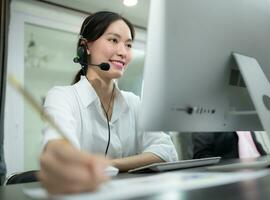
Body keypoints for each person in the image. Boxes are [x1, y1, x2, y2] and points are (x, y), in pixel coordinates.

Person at [38, 11, 178, 194]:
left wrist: (110, 164)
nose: (123, 52)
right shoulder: (62, 97)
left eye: (128, 45)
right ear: (85, 47)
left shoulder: (133, 102)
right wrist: (60, 156)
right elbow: (58, 146)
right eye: (113, 40)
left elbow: (166, 151)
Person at [192, 132, 266, 160]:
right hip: (233, 174)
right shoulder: (205, 119)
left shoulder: (243, 118)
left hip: (261, 165)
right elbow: (201, 155)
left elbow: (253, 145)